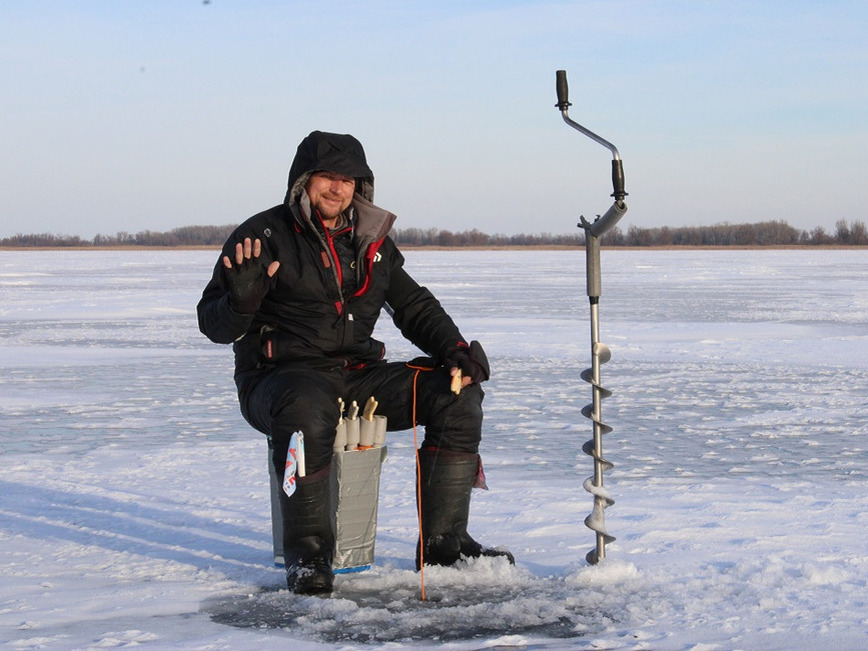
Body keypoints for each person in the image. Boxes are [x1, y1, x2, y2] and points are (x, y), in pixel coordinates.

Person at [197, 130, 512, 596]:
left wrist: (455, 349)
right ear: (303, 180)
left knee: (456, 391)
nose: (337, 188)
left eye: (349, 179)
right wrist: (240, 302)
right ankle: (308, 555)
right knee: (308, 406)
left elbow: (413, 306)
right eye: (327, 176)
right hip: (279, 381)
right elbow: (213, 325)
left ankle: (445, 545)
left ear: (360, 187)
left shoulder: (372, 240)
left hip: (355, 377)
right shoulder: (262, 236)